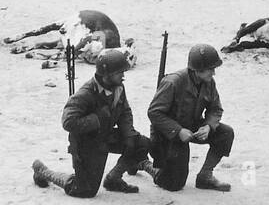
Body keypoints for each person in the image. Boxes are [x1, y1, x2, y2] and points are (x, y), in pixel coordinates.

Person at [32, 49, 152, 197]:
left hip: (106, 135)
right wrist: (97, 118)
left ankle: (113, 179)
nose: (123, 75)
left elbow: (124, 112)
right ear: (107, 75)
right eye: (120, 72)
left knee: (140, 144)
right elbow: (68, 122)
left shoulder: (118, 87)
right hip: (86, 142)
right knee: (84, 190)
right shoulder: (85, 94)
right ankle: (42, 171)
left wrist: (128, 135)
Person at [147, 44, 235, 192]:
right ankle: (144, 164)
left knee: (226, 133)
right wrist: (178, 131)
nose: (213, 73)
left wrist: (208, 126)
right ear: (197, 69)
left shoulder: (208, 82)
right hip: (169, 134)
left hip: (192, 126)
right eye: (210, 69)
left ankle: (205, 176)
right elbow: (154, 112)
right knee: (173, 184)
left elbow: (216, 108)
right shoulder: (173, 82)